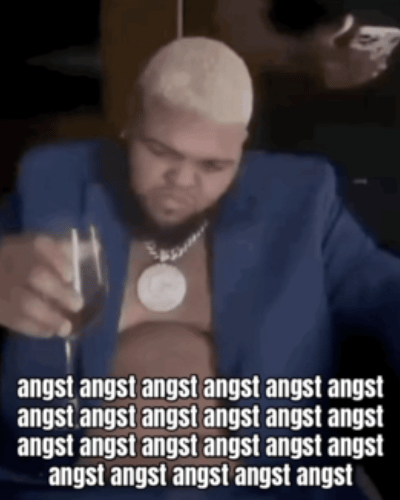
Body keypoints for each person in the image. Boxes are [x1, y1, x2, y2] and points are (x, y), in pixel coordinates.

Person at [0, 36, 395, 500]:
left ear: (241, 148)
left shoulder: (303, 201)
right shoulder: (54, 183)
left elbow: (386, 291)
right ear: (132, 120)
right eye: (161, 151)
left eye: (212, 165)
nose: (182, 181)